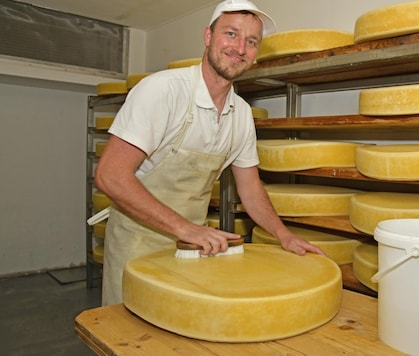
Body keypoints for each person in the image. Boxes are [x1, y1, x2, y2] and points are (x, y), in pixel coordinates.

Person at [94, 0, 325, 306]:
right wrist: (185, 228)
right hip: (137, 243)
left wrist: (284, 235)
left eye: (251, 41)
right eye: (231, 34)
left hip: (192, 248)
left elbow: (251, 188)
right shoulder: (162, 91)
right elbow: (110, 176)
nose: (239, 47)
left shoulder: (241, 113)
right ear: (207, 37)